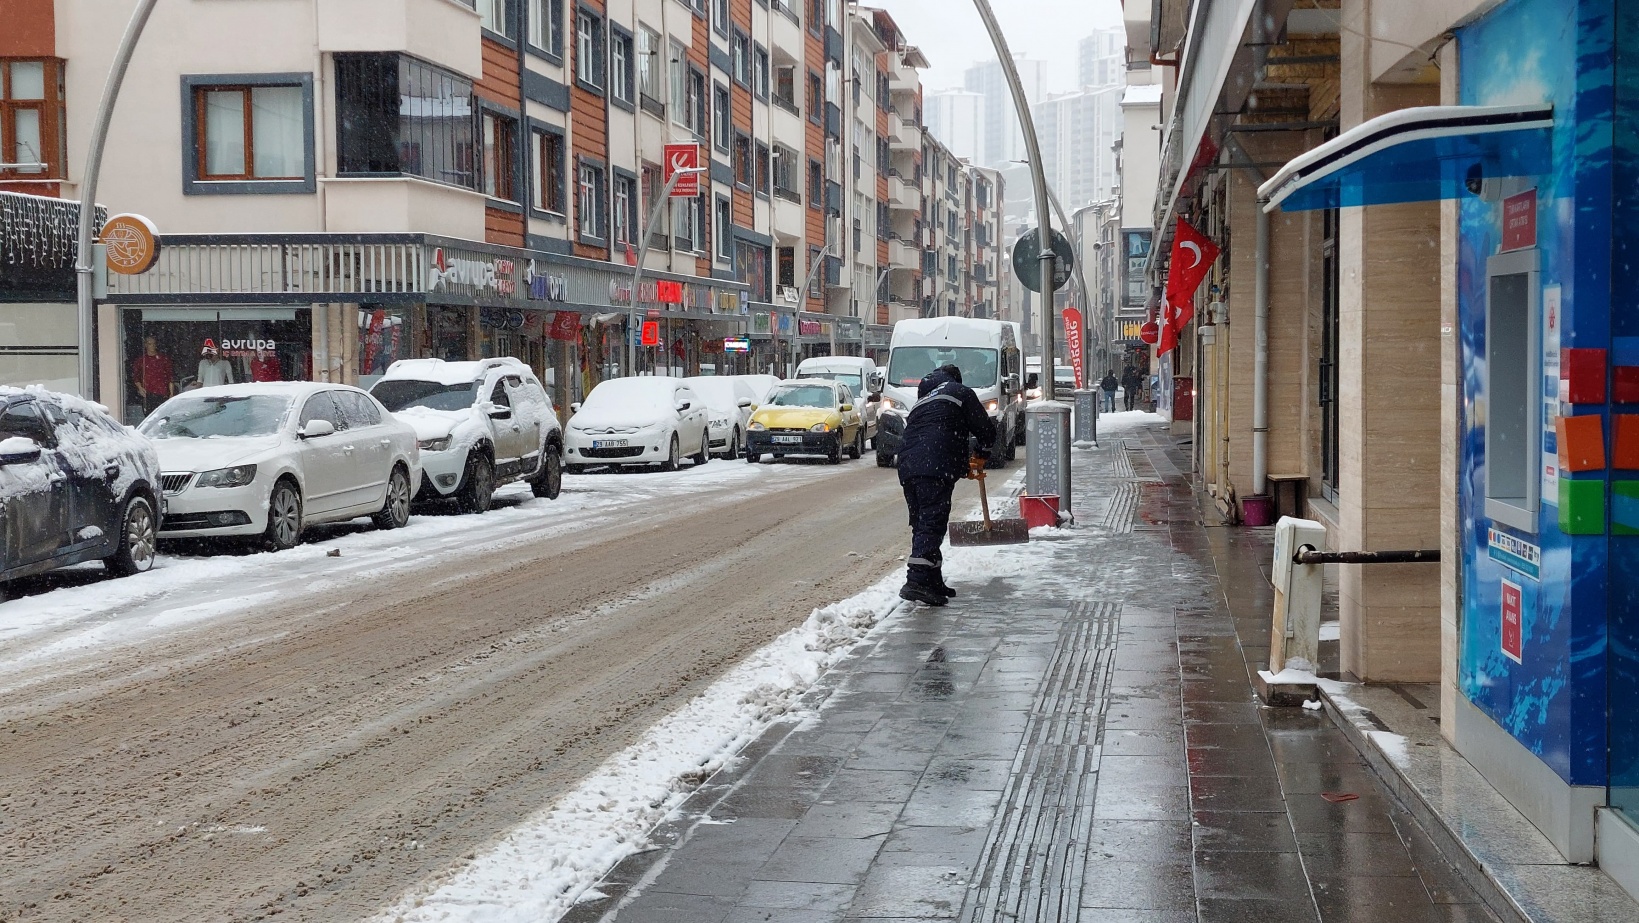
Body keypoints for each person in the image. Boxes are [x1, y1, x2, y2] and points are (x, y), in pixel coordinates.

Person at [896, 364, 996, 607]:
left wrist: (961, 464)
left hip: (908, 465)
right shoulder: (959, 392)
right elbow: (984, 429)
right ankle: (916, 580)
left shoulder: (923, 401)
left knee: (923, 522)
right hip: (933, 464)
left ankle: (932, 580)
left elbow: (935, 431)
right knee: (932, 522)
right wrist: (983, 450)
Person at [130, 336, 174, 415]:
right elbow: (136, 377)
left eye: (154, 344)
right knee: (149, 417)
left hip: (162, 394)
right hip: (148, 394)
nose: (152, 346)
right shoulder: (141, 360)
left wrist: (171, 393)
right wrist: (140, 388)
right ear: (146, 345)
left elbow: (170, 377)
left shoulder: (163, 359)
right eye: (150, 344)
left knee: (163, 417)